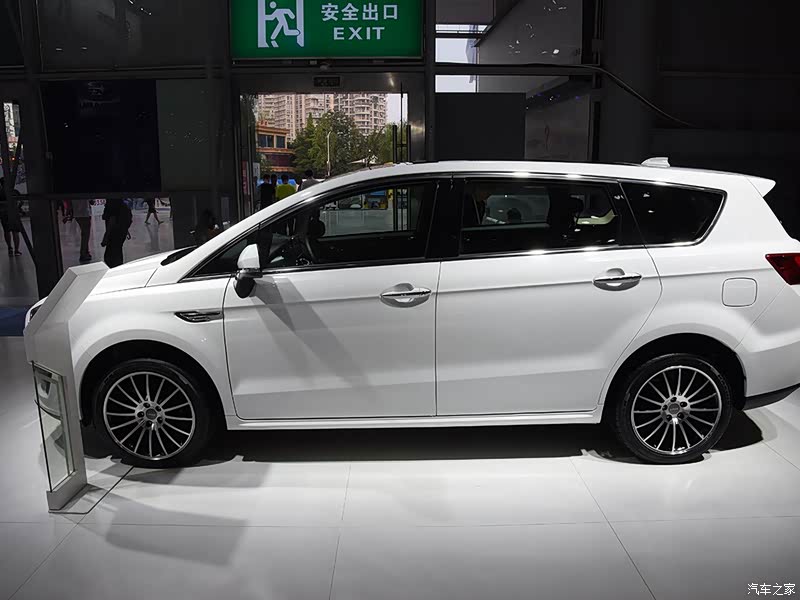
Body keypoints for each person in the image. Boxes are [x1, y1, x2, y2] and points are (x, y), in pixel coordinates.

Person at [101, 199, 132, 268]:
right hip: (121, 232)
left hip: (114, 234)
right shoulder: (123, 206)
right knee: (118, 251)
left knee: (110, 255)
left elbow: (112, 221)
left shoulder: (111, 205)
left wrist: (106, 236)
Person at [67, 198, 94, 263]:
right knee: (85, 234)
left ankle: (86, 252)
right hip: (84, 212)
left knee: (84, 234)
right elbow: (91, 201)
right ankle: (83, 253)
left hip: (77, 213)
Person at [0, 177, 22, 257]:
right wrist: (18, 208)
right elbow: (21, 201)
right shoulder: (14, 191)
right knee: (15, 232)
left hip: (4, 214)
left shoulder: (0, 193)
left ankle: (10, 248)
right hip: (14, 213)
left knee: (7, 231)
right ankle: (16, 250)